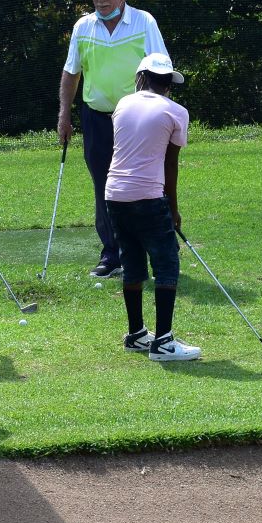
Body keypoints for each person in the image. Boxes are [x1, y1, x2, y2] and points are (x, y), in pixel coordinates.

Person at [58, 0, 170, 279]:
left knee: (142, 185)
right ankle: (112, 254)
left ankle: (148, 251)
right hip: (96, 117)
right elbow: (72, 72)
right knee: (104, 186)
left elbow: (160, 69)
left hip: (137, 120)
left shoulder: (144, 21)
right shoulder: (83, 26)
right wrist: (64, 114)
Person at [105, 53, 198, 362]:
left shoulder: (121, 105)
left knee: (131, 261)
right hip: (147, 196)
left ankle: (136, 334)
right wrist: (173, 209)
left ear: (141, 77)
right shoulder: (176, 112)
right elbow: (170, 165)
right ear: (167, 83)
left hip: (114, 195)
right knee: (167, 263)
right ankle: (164, 342)